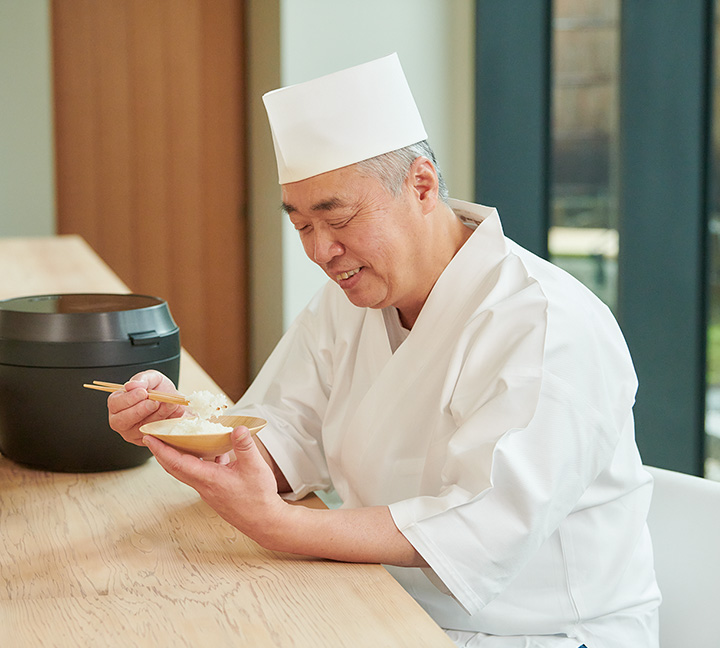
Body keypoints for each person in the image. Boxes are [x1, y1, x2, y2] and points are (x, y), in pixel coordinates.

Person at [108, 54, 660, 647]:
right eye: (300, 227)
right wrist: (184, 427)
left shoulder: (547, 323)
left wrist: (279, 525)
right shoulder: (351, 301)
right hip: (380, 599)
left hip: (543, 634)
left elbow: (481, 526)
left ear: (421, 185)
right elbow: (280, 433)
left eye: (337, 218)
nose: (321, 252)